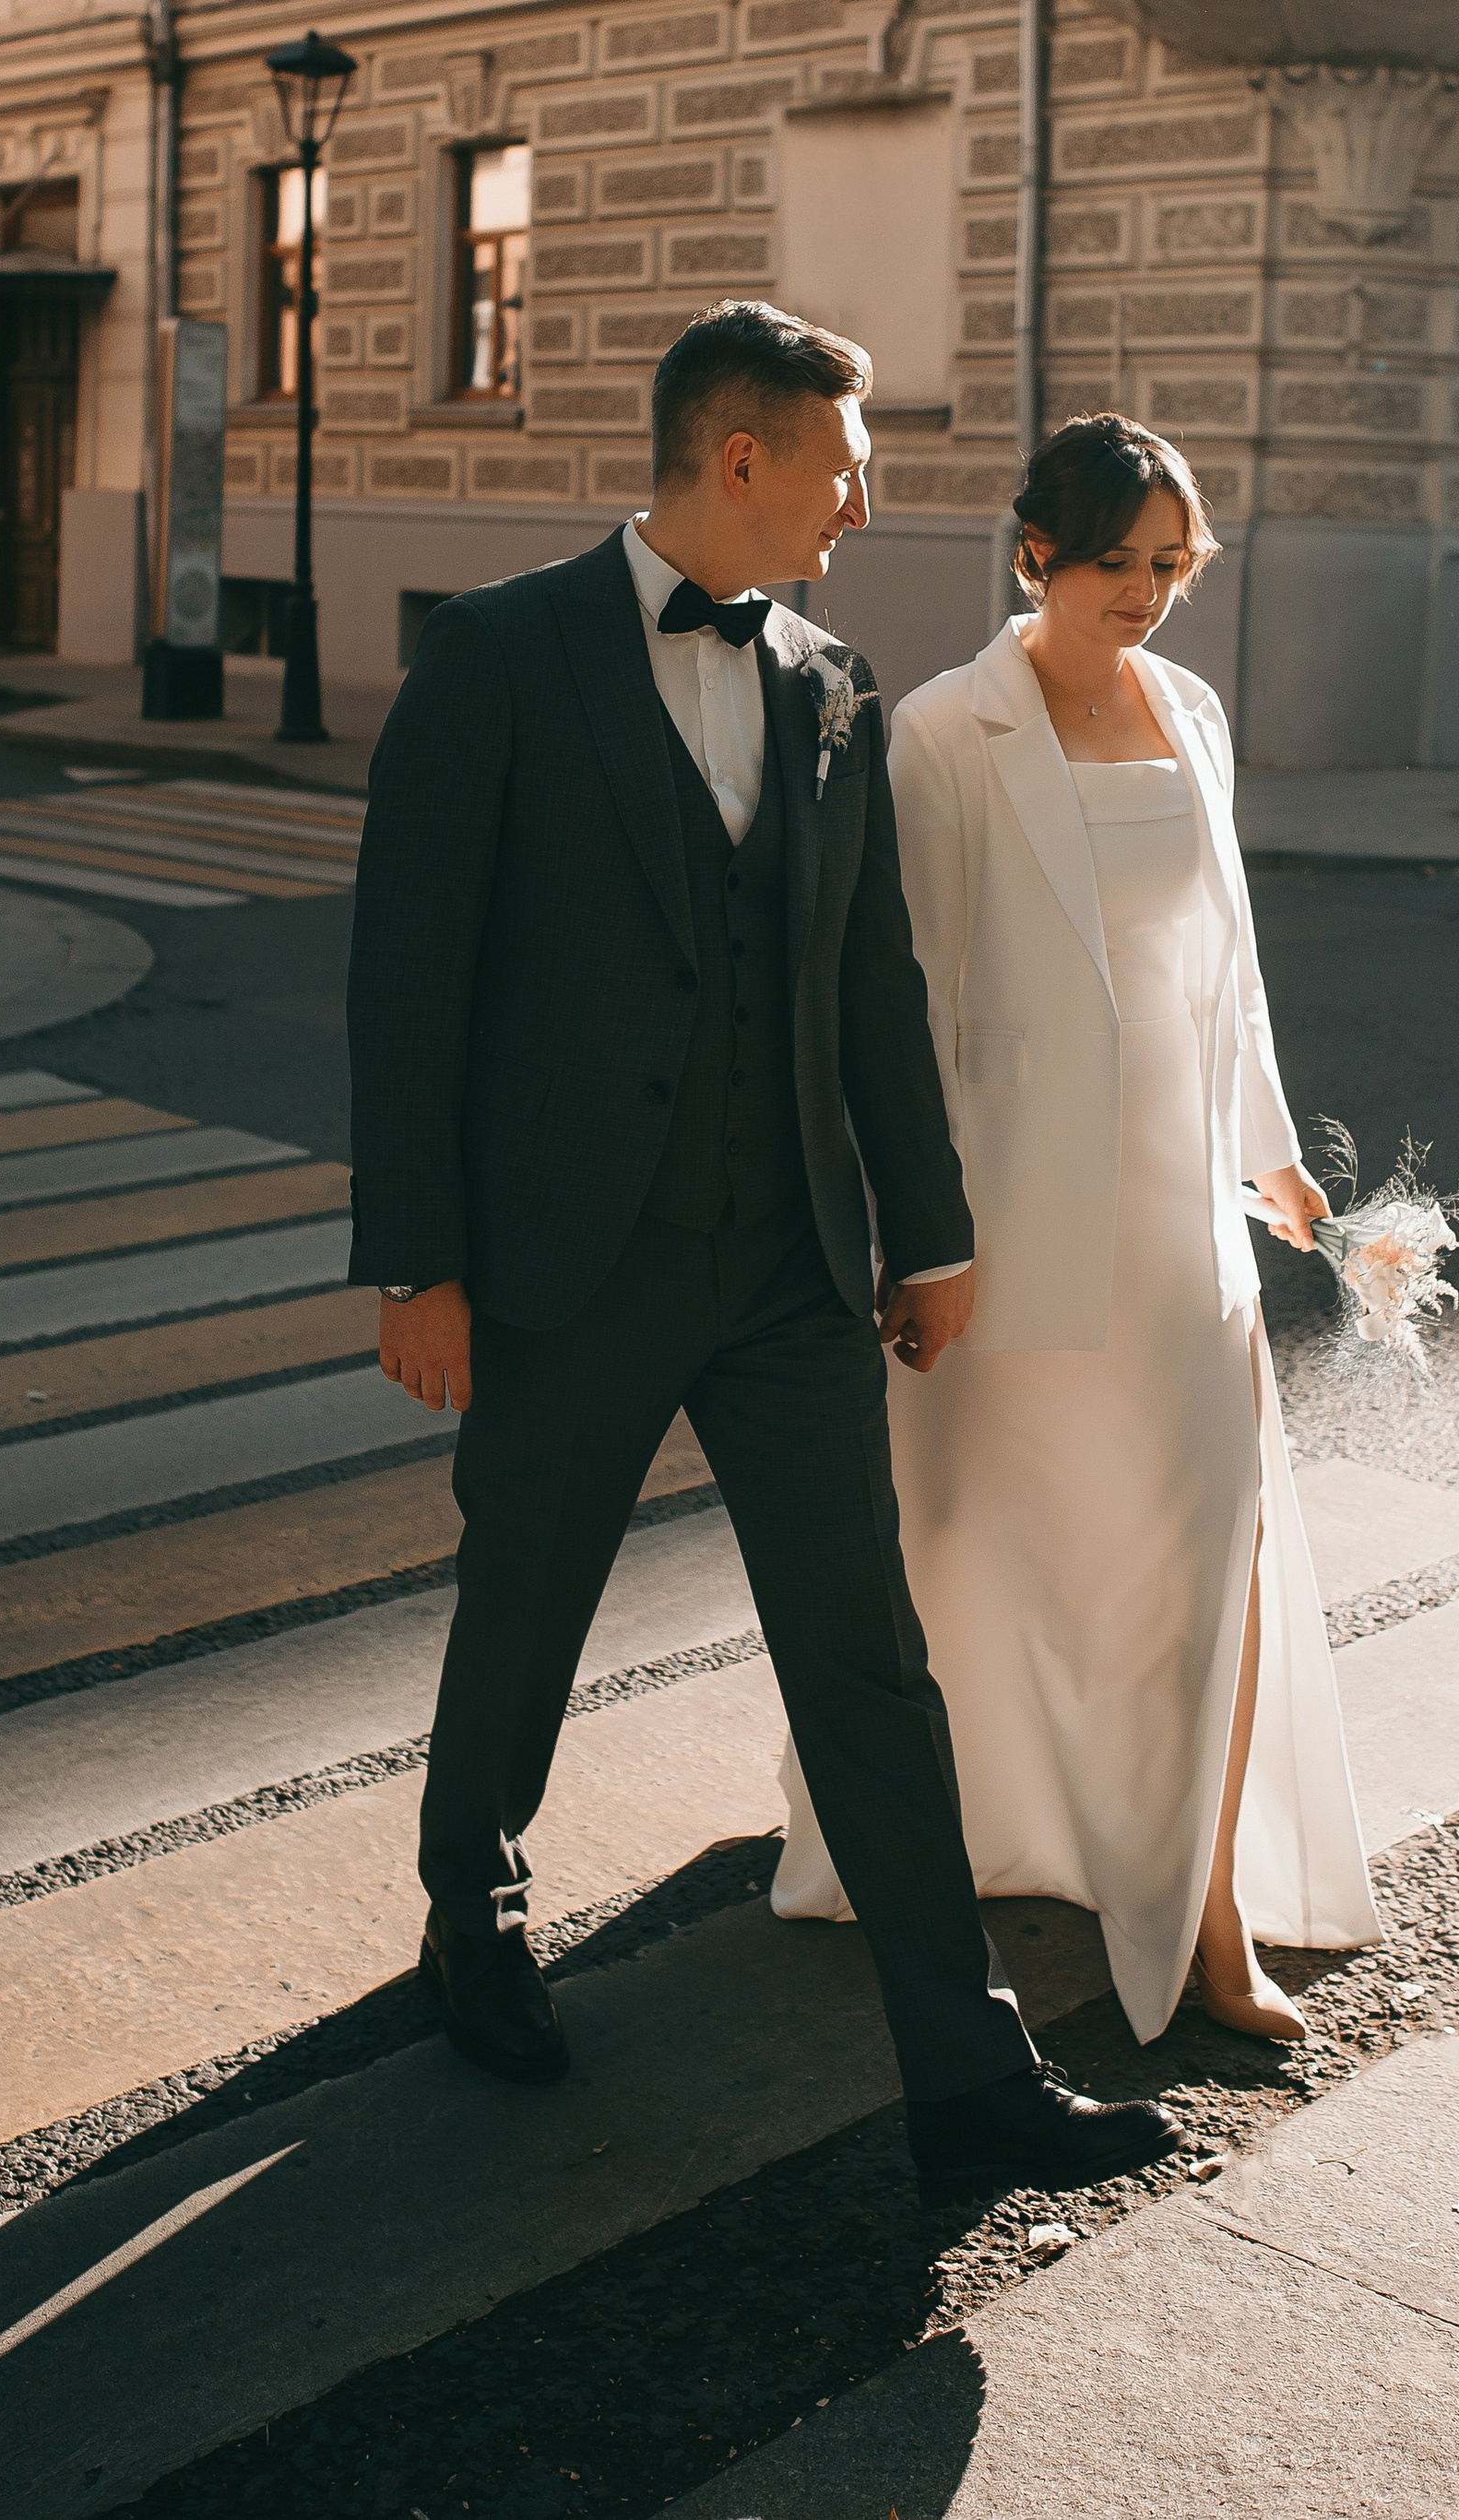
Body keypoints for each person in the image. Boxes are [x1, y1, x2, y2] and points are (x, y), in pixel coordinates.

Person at [348, 303, 1187, 2191]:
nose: (861, 499)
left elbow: (865, 993)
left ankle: (968, 2082)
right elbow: (405, 984)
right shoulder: (494, 657)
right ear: (740, 456)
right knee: (527, 1603)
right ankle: (470, 1914)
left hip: (787, 1267)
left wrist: (930, 1229)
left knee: (865, 1659)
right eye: (840, 462)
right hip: (567, 1259)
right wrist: (419, 1264)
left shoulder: (830, 680)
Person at [775, 412, 1382, 2043]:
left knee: (1213, 1550)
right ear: (1037, 551)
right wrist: (923, 1239)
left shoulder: (1189, 707)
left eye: (1175, 567)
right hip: (1004, 1212)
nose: (1150, 595)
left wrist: (1272, 1157)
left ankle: (1208, 1915)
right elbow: (899, 1006)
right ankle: (976, 1833)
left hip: (1183, 1219)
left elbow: (1225, 959)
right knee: (969, 1541)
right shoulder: (943, 732)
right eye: (1120, 562)